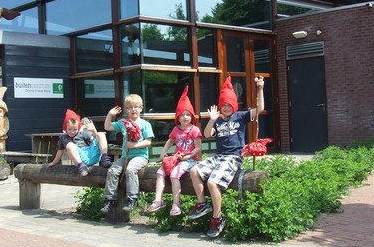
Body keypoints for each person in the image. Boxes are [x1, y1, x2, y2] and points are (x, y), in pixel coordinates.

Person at [188, 76, 265, 238]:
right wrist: (212, 120)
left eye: (229, 104)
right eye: (223, 105)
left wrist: (260, 88)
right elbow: (207, 134)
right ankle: (202, 203)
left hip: (234, 157)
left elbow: (260, 108)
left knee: (212, 182)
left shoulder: (241, 116)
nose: (226, 107)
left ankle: (217, 217)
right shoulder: (217, 121)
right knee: (194, 170)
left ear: (234, 105)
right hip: (219, 157)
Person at [146, 86, 202, 216]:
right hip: (177, 158)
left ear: (192, 116)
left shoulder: (194, 130)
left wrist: (189, 156)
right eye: (182, 115)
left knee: (174, 174)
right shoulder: (176, 129)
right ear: (178, 117)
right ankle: (158, 199)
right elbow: (170, 140)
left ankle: (176, 204)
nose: (185, 117)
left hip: (191, 160)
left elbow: (198, 148)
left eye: (188, 115)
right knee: (160, 172)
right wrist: (163, 152)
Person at [100, 94, 154, 213]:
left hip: (140, 156)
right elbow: (107, 127)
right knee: (112, 171)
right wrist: (110, 114)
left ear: (141, 108)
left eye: (136, 107)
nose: (133, 109)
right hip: (125, 156)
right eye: (129, 107)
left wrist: (134, 145)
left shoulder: (145, 124)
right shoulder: (123, 123)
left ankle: (132, 198)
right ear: (126, 109)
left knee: (130, 170)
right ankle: (109, 199)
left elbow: (148, 142)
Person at [48, 109, 112, 176]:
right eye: (70, 129)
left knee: (101, 134)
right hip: (80, 158)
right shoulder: (64, 137)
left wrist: (94, 131)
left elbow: (95, 141)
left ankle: (104, 157)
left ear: (78, 128)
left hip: (92, 154)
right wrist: (54, 162)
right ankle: (81, 166)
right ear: (65, 128)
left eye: (75, 129)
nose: (72, 132)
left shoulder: (81, 133)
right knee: (70, 145)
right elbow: (60, 151)